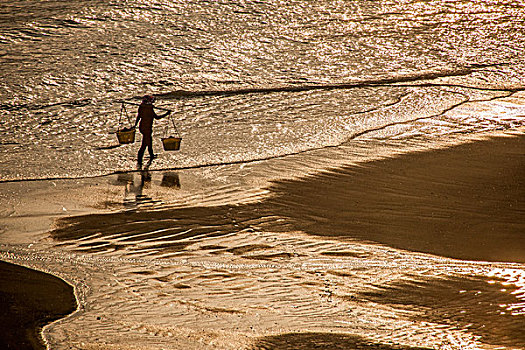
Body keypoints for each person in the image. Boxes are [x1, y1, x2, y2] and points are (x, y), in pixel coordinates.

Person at [134, 95, 170, 165]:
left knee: (149, 141)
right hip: (146, 128)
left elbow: (138, 117)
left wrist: (135, 125)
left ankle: (151, 155)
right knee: (145, 144)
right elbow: (157, 117)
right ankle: (139, 159)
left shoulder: (141, 107)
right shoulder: (148, 109)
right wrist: (166, 113)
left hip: (142, 127)